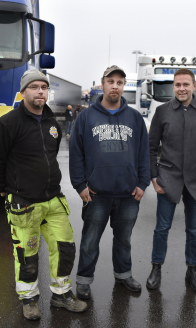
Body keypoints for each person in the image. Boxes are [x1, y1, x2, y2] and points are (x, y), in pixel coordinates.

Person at [0, 69, 87, 321]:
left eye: (43, 87)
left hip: (53, 199)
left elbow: (50, 154)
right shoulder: (7, 123)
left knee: (64, 248)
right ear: (23, 92)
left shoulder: (52, 123)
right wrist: (5, 190)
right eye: (34, 87)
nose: (40, 91)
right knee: (26, 254)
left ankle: (61, 295)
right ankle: (29, 299)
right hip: (24, 203)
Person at [69, 65, 150, 299]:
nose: (115, 86)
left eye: (120, 82)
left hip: (128, 195)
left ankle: (124, 275)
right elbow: (76, 154)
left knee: (124, 240)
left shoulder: (135, 118)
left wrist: (142, 183)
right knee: (90, 240)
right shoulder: (86, 117)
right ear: (102, 84)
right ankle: (84, 280)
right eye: (110, 81)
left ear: (123, 86)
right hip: (96, 195)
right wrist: (80, 185)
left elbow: (144, 153)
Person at [146, 68, 196, 293]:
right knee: (162, 228)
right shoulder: (162, 112)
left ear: (194, 86)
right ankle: (156, 268)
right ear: (173, 86)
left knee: (194, 230)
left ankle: (192, 270)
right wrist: (153, 177)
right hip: (168, 178)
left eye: (186, 84)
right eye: (177, 85)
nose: (181, 89)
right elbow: (151, 148)